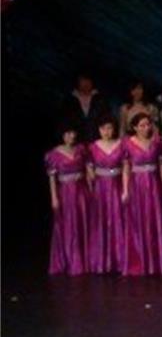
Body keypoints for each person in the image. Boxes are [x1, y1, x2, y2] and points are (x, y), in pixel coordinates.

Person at [122, 113, 162, 276]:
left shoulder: (156, 142)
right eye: (141, 125)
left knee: (155, 220)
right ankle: (140, 260)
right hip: (137, 186)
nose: (145, 128)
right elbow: (126, 168)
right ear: (134, 127)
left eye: (148, 124)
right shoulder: (128, 144)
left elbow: (161, 165)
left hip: (153, 185)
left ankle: (156, 261)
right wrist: (125, 189)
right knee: (139, 220)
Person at [45, 120, 90, 275]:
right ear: (62, 135)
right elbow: (52, 178)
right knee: (68, 225)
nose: (71, 136)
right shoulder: (53, 154)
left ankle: (84, 260)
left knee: (82, 222)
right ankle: (70, 260)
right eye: (68, 133)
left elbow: (88, 170)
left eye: (73, 133)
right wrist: (54, 197)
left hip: (81, 191)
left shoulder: (81, 150)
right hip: (65, 192)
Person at [86, 115, 126, 273]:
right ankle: (101, 261)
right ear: (99, 130)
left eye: (109, 128)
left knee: (118, 219)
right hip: (101, 188)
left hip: (116, 186)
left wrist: (125, 188)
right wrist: (93, 180)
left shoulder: (120, 145)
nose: (107, 131)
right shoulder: (92, 147)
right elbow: (89, 167)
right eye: (103, 128)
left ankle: (119, 260)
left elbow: (126, 167)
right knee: (101, 221)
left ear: (114, 129)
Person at [63, 71, 110, 143]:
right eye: (83, 80)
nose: (86, 83)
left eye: (88, 80)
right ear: (77, 82)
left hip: (97, 140)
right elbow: (65, 122)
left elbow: (106, 119)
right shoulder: (69, 100)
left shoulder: (100, 99)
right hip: (75, 141)